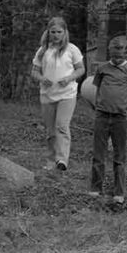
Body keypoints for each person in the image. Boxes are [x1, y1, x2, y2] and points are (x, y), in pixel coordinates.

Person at [88, 36, 127, 206]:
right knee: (98, 154)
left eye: (120, 56)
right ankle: (96, 187)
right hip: (102, 116)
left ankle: (119, 191)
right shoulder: (102, 69)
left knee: (120, 156)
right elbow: (97, 90)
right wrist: (98, 107)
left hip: (121, 118)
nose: (116, 59)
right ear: (109, 52)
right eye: (114, 55)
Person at [30, 16, 85, 171]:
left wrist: (69, 78)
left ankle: (62, 160)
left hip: (67, 94)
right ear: (48, 32)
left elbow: (81, 69)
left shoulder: (72, 49)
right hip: (47, 95)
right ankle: (50, 160)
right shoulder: (43, 50)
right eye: (53, 31)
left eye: (59, 32)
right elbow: (34, 71)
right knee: (50, 131)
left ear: (65, 32)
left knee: (62, 126)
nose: (56, 35)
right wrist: (42, 78)